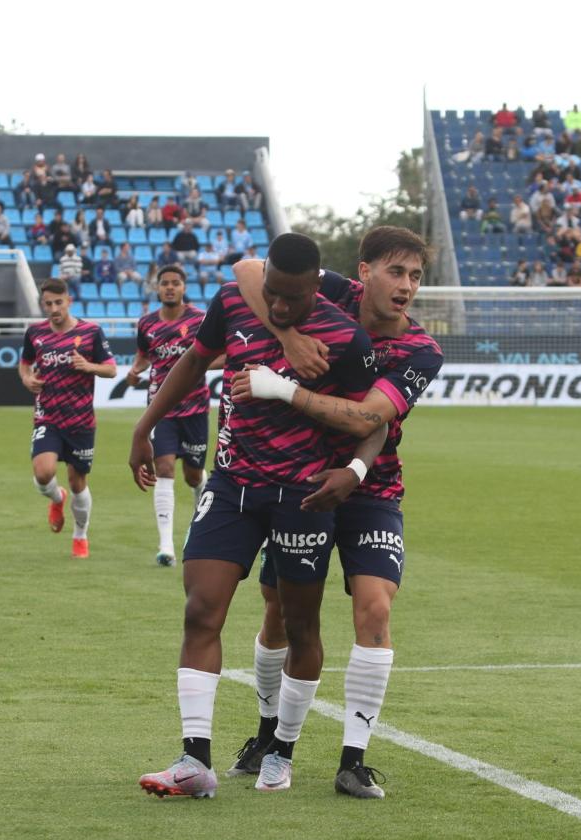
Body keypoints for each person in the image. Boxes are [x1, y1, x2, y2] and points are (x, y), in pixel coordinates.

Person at [131, 233, 380, 800]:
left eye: (293, 299)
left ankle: (282, 750)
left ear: (316, 286)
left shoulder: (345, 337)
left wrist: (356, 473)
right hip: (232, 482)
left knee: (301, 626)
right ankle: (195, 760)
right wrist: (144, 426)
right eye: (273, 294)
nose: (281, 307)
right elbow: (195, 361)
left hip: (304, 496)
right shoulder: (235, 299)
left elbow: (374, 421)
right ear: (263, 277)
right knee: (201, 610)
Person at [225, 226, 443, 800]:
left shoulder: (421, 350)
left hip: (371, 488)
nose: (407, 286)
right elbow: (248, 268)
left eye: (416, 276)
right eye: (396, 272)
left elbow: (367, 421)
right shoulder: (334, 295)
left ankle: (354, 760)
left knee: (374, 608)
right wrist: (287, 337)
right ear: (364, 272)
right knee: (280, 613)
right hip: (299, 482)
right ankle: (268, 735)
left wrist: (288, 393)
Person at [18, 278, 116, 558]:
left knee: (78, 483)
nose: (53, 308)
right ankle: (56, 498)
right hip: (47, 418)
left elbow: (110, 370)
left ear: (68, 301)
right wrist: (27, 379)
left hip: (81, 421)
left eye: (58, 302)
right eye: (48, 303)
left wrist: (89, 366)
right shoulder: (35, 333)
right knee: (43, 473)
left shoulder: (90, 332)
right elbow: (24, 363)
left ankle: (80, 535)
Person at [126, 264, 213, 566]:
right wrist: (136, 370)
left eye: (175, 283)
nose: (170, 288)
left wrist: (200, 367)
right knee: (164, 467)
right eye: (165, 283)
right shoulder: (147, 323)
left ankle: (199, 515)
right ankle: (166, 547)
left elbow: (221, 352)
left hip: (196, 409)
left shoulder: (201, 320)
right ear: (157, 288)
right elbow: (143, 355)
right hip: (161, 409)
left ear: (184, 287)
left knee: (192, 475)